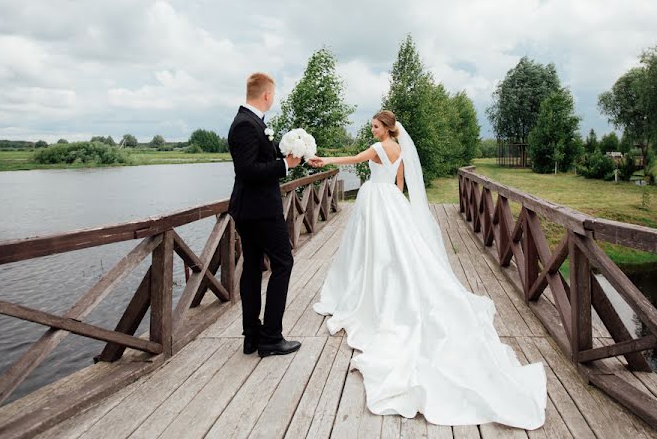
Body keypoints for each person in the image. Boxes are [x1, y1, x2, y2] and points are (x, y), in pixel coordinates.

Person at [307, 110, 547, 429]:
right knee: (399, 249)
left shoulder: (378, 149)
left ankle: (371, 289)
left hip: (376, 200)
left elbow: (351, 159)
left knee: (373, 248)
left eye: (376, 126)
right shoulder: (401, 149)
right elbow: (401, 181)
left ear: (388, 128)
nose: (373, 130)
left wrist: (323, 160)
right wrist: (395, 195)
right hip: (392, 198)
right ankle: (387, 281)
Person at [227, 72, 302, 358]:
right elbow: (247, 171)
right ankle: (271, 337)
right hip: (259, 210)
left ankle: (252, 336)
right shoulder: (246, 124)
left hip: (250, 209)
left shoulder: (250, 122)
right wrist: (285, 164)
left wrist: (288, 159)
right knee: (283, 263)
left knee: (253, 268)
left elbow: (257, 161)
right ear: (267, 94)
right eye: (275, 94)